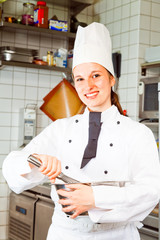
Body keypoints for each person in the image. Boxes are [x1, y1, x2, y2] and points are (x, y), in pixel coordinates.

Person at [2, 22, 160, 240]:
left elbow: (151, 191)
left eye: (96, 75)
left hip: (116, 235)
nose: (88, 86)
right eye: (80, 79)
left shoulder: (137, 133)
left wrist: (96, 198)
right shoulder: (60, 129)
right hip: (65, 233)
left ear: (111, 79)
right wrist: (32, 159)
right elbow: (11, 169)